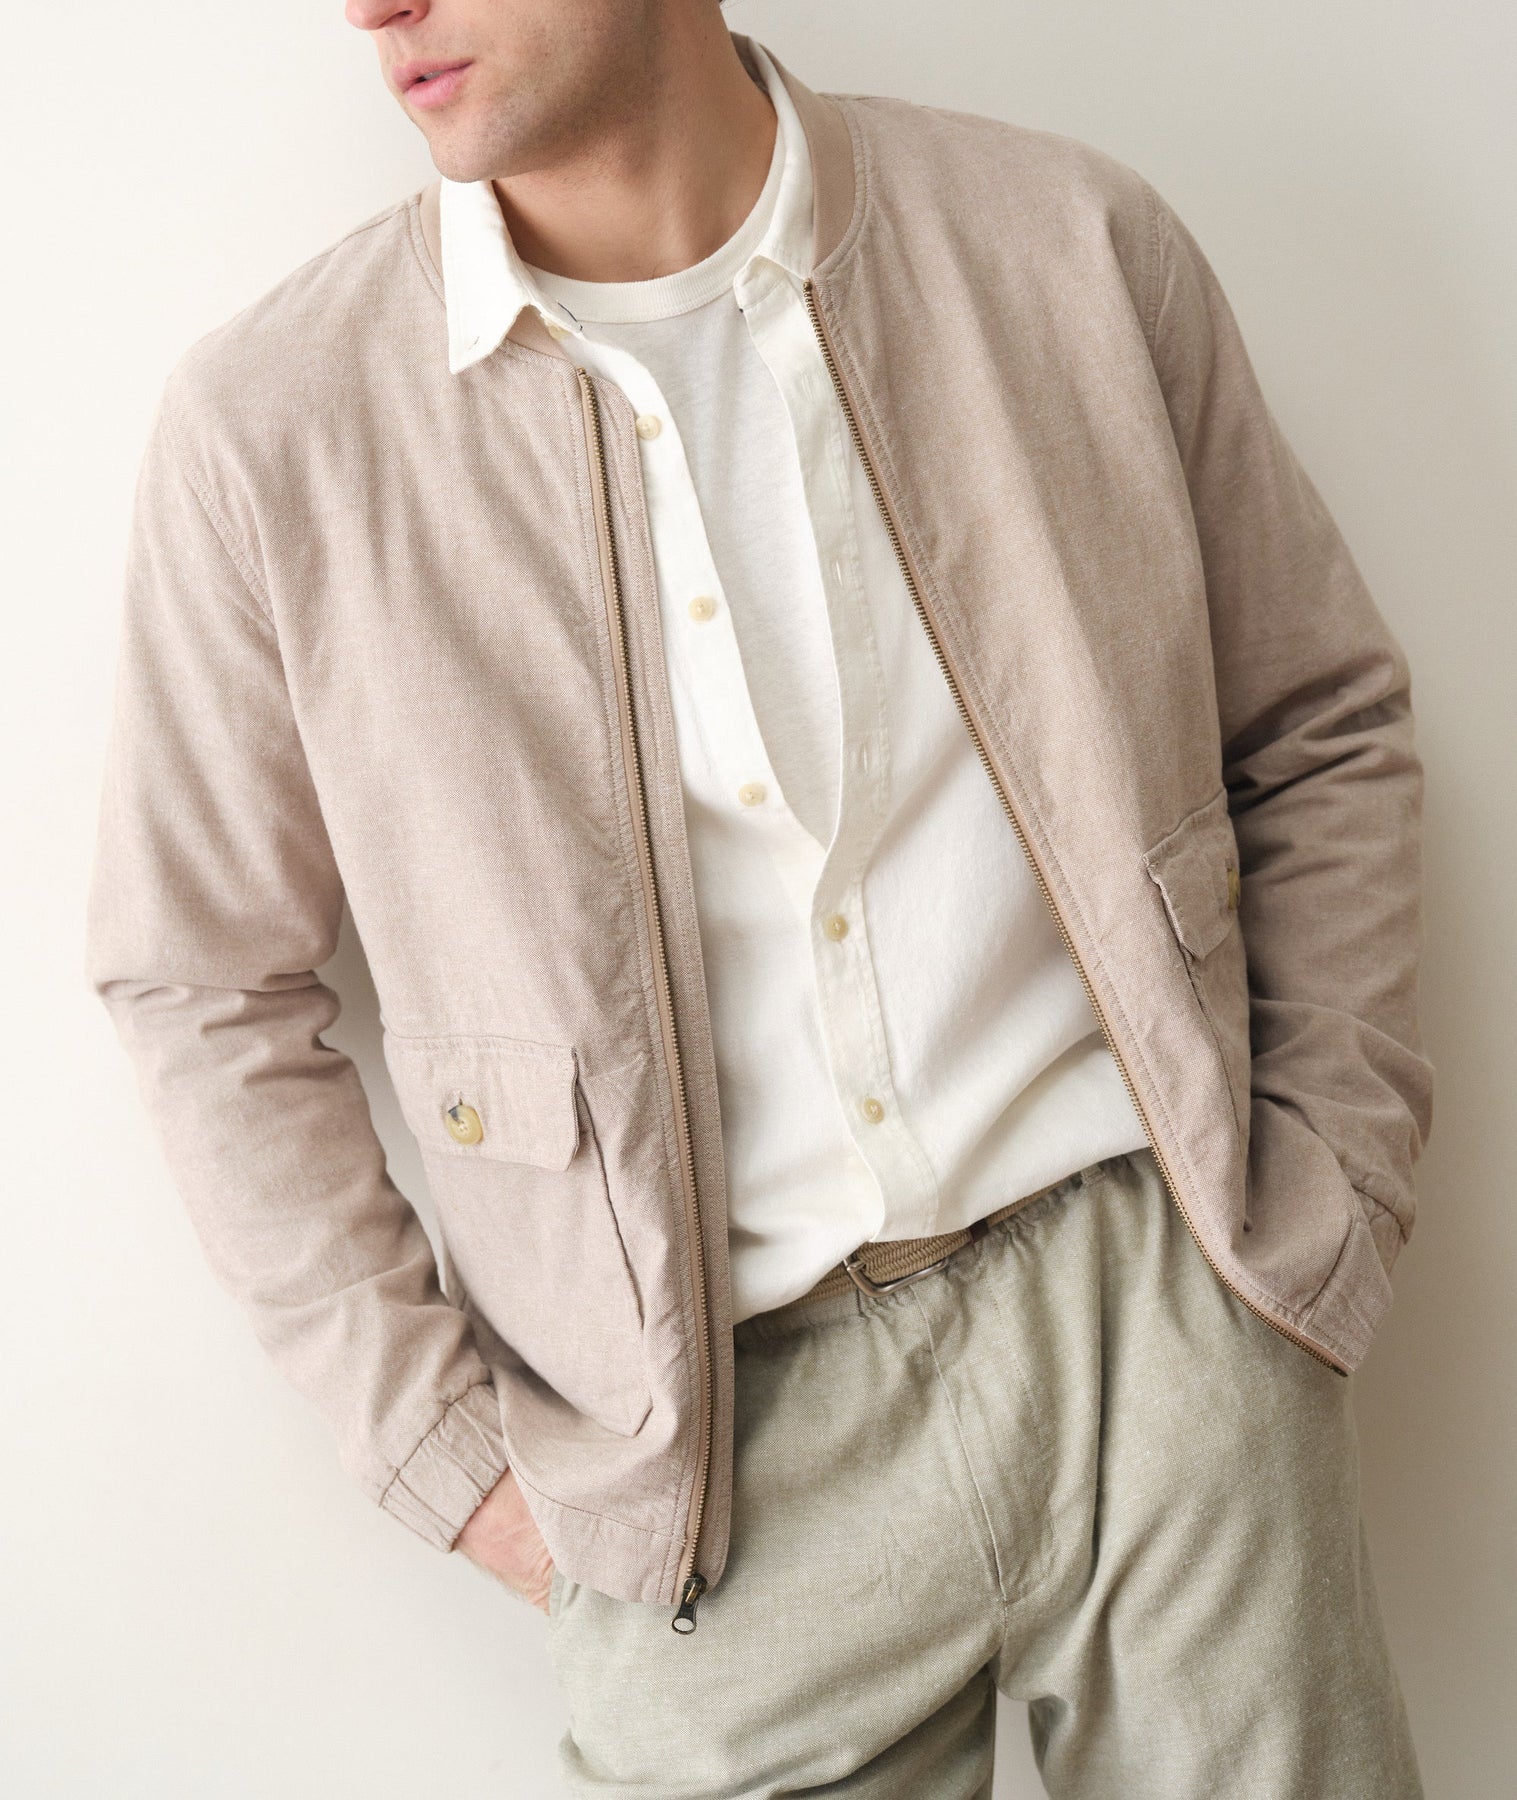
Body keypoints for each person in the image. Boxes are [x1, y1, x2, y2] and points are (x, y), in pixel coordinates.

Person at [85, 2, 1434, 1794]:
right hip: (710, 1497)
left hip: (1163, 1336)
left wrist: (1316, 1205)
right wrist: (452, 1459)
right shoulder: (277, 428)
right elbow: (196, 979)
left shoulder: (1065, 242)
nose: (371, 4)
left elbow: (1315, 724)